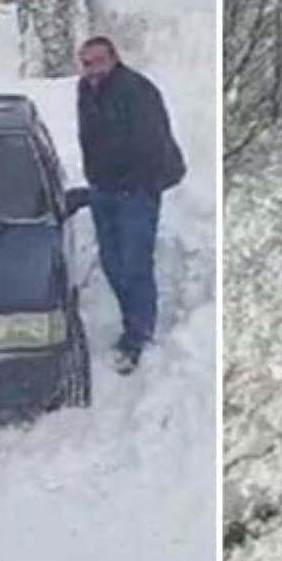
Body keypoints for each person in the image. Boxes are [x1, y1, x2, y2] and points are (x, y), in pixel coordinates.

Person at [75, 36, 185, 373]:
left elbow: (152, 143)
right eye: (86, 63)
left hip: (136, 192)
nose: (92, 69)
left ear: (114, 58)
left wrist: (135, 185)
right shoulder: (85, 91)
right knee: (112, 264)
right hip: (103, 189)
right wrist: (95, 181)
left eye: (98, 61)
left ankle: (139, 336)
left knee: (134, 265)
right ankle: (131, 323)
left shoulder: (137, 91)